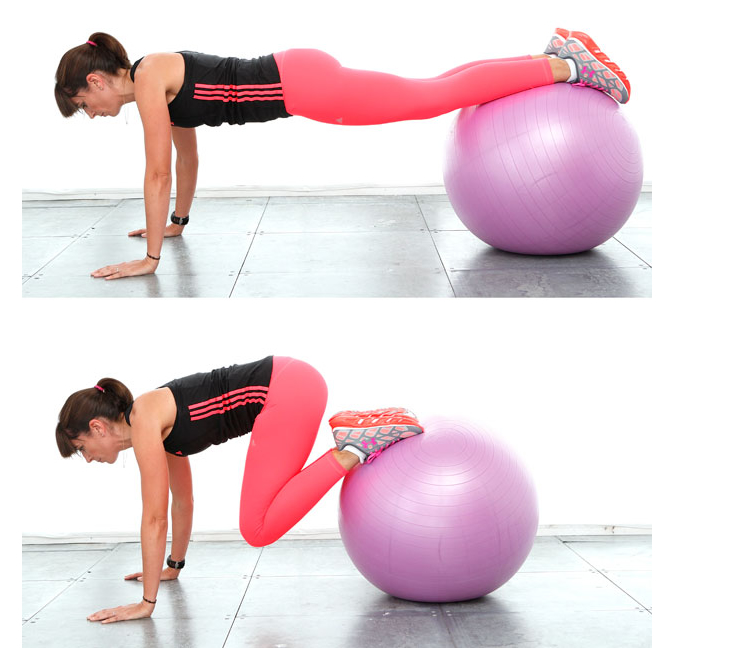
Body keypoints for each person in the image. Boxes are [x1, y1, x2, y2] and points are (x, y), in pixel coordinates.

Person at [54, 29, 629, 280]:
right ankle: (548, 57)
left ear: (100, 81)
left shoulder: (151, 74)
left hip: (302, 86)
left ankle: (570, 67)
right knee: (428, 89)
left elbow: (155, 172)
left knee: (428, 97)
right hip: (300, 74)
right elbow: (185, 163)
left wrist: (150, 260)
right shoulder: (159, 85)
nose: (91, 114)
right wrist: (177, 223)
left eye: (83, 103)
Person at [54, 355, 423, 624]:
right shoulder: (153, 424)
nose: (87, 459)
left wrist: (146, 604)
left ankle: (352, 448)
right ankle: (355, 435)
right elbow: (182, 502)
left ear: (98, 427)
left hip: (286, 391)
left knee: (257, 529)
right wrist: (173, 567)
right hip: (293, 383)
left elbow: (154, 518)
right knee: (259, 523)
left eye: (82, 448)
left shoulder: (145, 418)